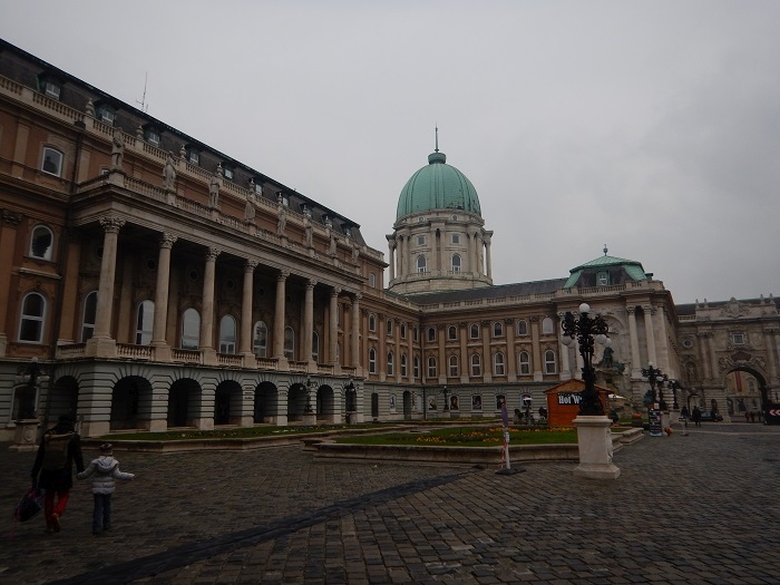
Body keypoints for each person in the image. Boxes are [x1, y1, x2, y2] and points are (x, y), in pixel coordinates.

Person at [31, 415, 85, 533]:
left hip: (47, 471)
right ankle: (57, 513)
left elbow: (40, 456)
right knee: (64, 495)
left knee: (49, 497)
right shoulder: (73, 436)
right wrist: (81, 472)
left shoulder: (49, 435)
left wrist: (34, 473)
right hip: (63, 471)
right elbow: (78, 456)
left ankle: (49, 524)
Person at [78, 443, 134, 535]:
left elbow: (87, 473)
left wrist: (79, 476)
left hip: (97, 488)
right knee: (107, 506)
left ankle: (96, 526)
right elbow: (118, 474)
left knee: (98, 507)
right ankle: (107, 523)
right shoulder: (113, 463)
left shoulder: (95, 462)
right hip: (108, 488)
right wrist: (129, 476)